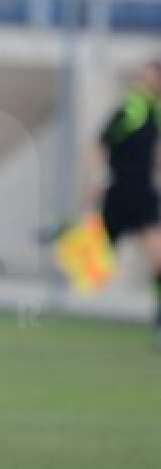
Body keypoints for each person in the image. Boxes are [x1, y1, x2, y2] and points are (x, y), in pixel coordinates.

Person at [88, 60, 161, 347]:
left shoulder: (154, 112)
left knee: (158, 259)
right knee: (95, 260)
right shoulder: (132, 108)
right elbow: (100, 142)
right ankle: (62, 236)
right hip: (119, 193)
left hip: (143, 195)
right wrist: (97, 179)